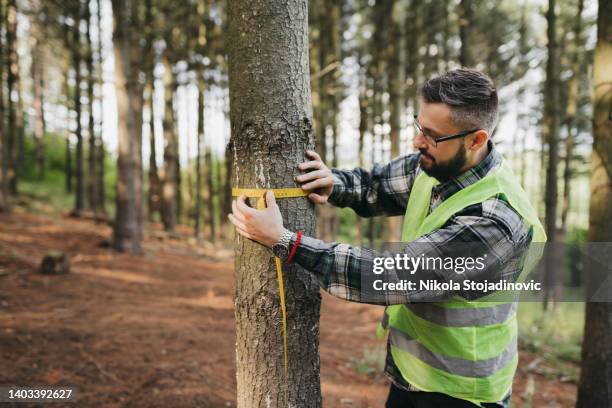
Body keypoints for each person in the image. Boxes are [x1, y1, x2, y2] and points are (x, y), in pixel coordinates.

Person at [228, 68, 546, 408]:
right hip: (414, 374)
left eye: (432, 135)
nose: (417, 141)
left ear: (476, 140)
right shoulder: (440, 164)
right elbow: (378, 184)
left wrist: (287, 242)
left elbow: (391, 275)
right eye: (419, 126)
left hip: (461, 392)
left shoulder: (494, 221)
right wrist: (335, 182)